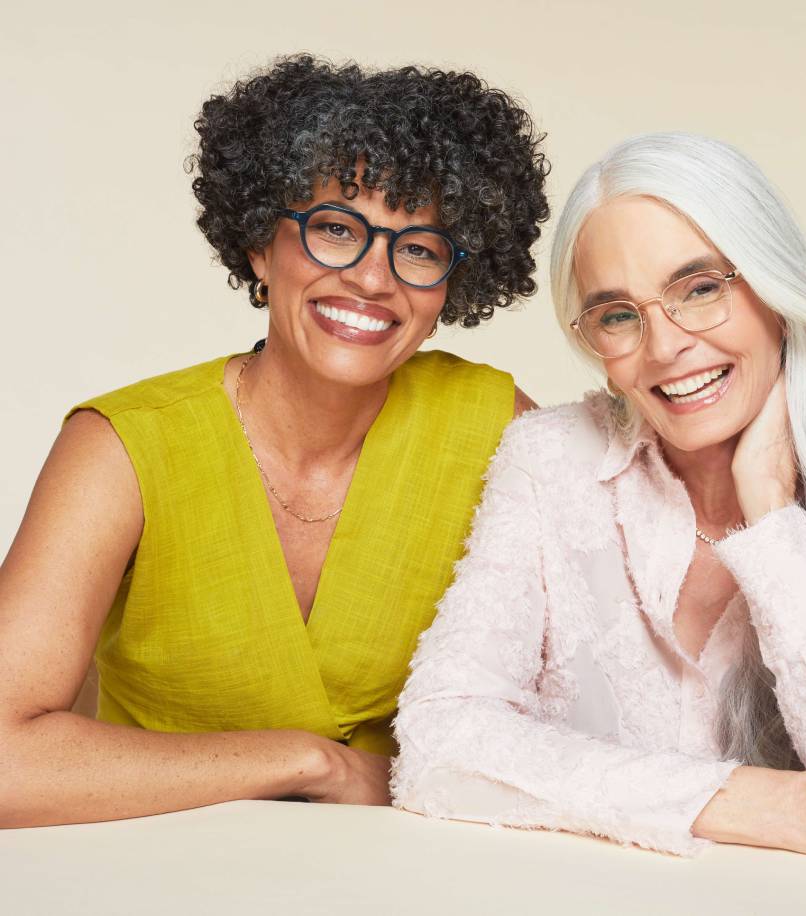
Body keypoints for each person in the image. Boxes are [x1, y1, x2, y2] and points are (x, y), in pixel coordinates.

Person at [0, 54, 548, 827]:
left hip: (423, 879)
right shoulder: (122, 448)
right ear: (261, 245)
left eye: (418, 248)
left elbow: (585, 706)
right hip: (151, 872)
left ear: (450, 286)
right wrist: (311, 764)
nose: (372, 278)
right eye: (334, 229)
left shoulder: (496, 427)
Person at [392, 133, 806, 868]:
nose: (665, 346)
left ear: (776, 287)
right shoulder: (550, 459)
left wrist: (771, 517)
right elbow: (437, 744)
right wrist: (772, 805)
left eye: (700, 289)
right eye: (617, 315)